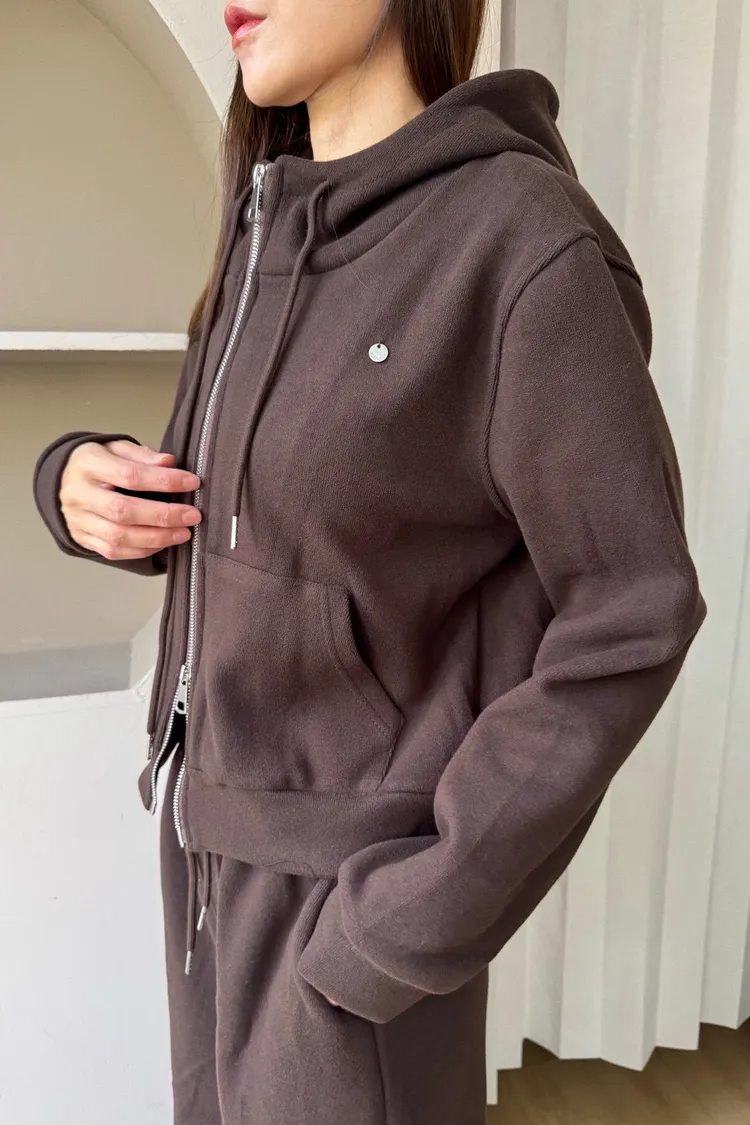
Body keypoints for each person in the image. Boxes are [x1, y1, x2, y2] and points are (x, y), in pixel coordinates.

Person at [32, 1, 707, 1122]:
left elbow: (633, 611)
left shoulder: (518, 240)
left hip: (347, 909)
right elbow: (254, 507)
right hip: (205, 860)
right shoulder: (266, 221)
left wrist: (404, 920)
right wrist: (76, 480)